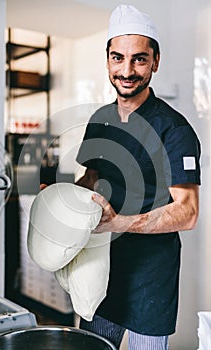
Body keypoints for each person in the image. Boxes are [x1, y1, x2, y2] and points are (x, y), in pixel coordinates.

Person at [75, 4, 201, 350]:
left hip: (151, 281)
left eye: (139, 59)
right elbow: (93, 176)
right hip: (100, 272)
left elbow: (187, 212)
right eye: (118, 58)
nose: (126, 70)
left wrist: (118, 222)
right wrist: (61, 199)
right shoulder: (100, 120)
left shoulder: (174, 130)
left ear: (155, 62)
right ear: (108, 61)